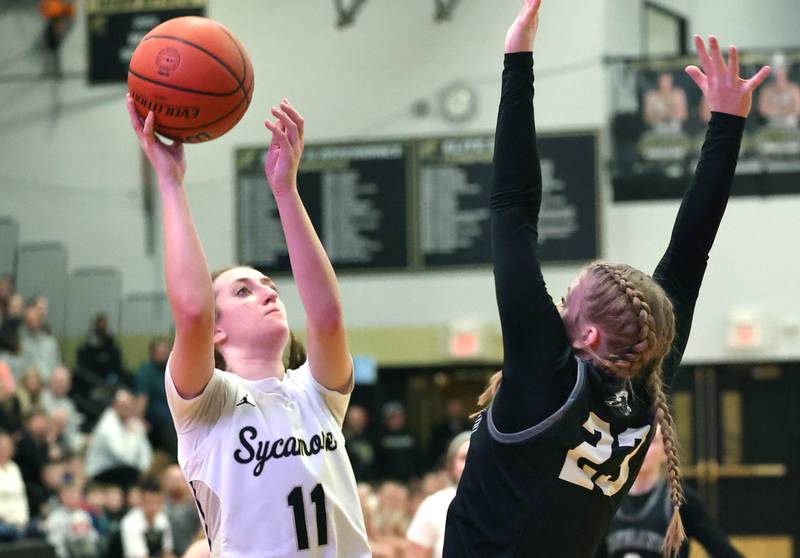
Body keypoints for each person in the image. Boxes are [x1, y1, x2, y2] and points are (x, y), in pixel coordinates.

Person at [442, 2, 770, 557]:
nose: (559, 302)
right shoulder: (645, 384)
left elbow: (512, 206)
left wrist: (517, 63)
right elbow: (691, 251)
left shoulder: (551, 378)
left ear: (587, 335)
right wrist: (728, 123)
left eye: (567, 300)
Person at [126, 94, 370, 557]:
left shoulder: (316, 394)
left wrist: (286, 191)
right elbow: (193, 313)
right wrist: (171, 183)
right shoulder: (205, 405)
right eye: (243, 290)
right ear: (217, 333)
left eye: (268, 284)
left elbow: (327, 316)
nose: (268, 291)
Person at [598, 426, 742, 558]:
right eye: (635, 440)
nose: (642, 447)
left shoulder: (681, 500)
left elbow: (723, 550)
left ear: (666, 450)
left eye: (652, 441)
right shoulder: (605, 498)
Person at [407, 431, 470, 558]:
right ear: (451, 466)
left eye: (477, 455)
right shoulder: (434, 505)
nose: (471, 461)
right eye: (464, 457)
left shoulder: (506, 502)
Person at [84, 389, 152, 490]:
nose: (127, 409)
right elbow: (124, 457)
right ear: (114, 406)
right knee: (130, 473)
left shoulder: (135, 423)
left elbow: (146, 452)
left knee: (142, 477)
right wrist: (132, 435)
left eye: (129, 406)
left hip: (121, 470)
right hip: (99, 471)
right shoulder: (106, 425)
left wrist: (144, 469)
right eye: (123, 406)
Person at [120, 477, 176, 558]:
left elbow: (167, 552)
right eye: (148, 502)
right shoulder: (130, 522)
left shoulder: (163, 519)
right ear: (141, 501)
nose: (152, 507)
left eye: (157, 502)